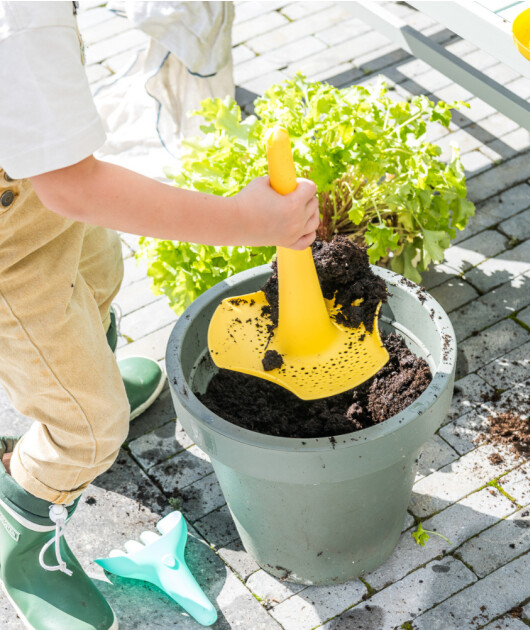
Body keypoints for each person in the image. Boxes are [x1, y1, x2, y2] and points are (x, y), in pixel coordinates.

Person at [0, 3, 319, 629]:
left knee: (98, 283)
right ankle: (27, 536)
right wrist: (248, 223)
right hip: (10, 252)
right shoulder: (22, 22)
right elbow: (75, 186)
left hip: (36, 193)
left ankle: (93, 376)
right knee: (89, 424)